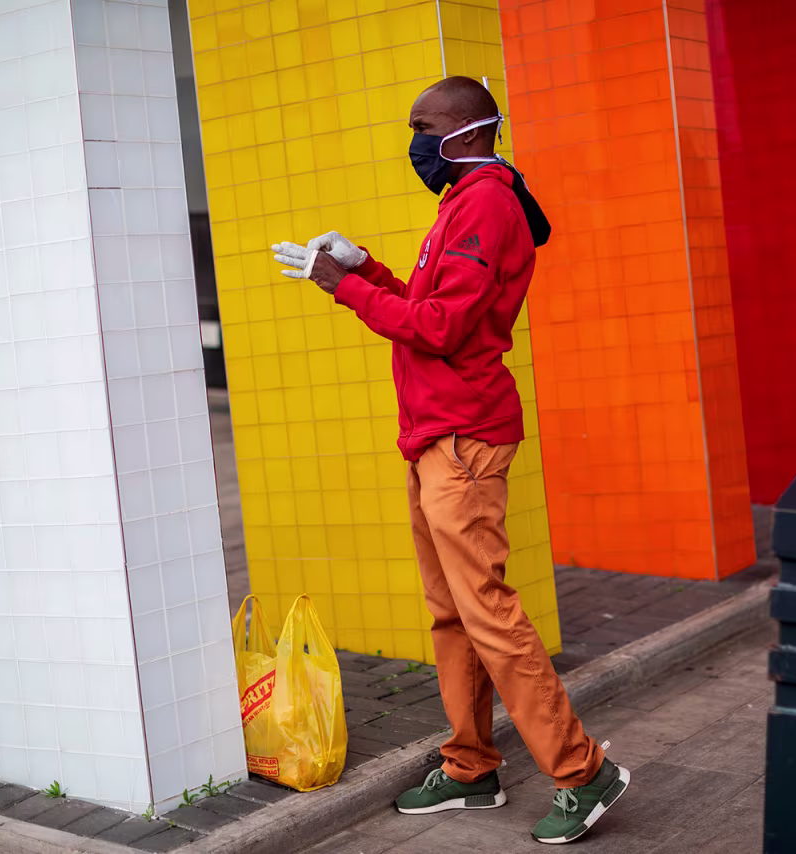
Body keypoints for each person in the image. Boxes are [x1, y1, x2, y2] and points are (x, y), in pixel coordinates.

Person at [271, 76, 629, 845]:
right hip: (436, 434)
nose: (416, 143)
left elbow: (438, 328)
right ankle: (472, 768)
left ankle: (583, 770)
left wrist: (344, 290)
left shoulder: (487, 203)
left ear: (468, 133)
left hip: (464, 439)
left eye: (424, 127)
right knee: (453, 616)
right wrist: (364, 269)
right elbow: (424, 307)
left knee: (490, 616)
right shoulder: (461, 205)